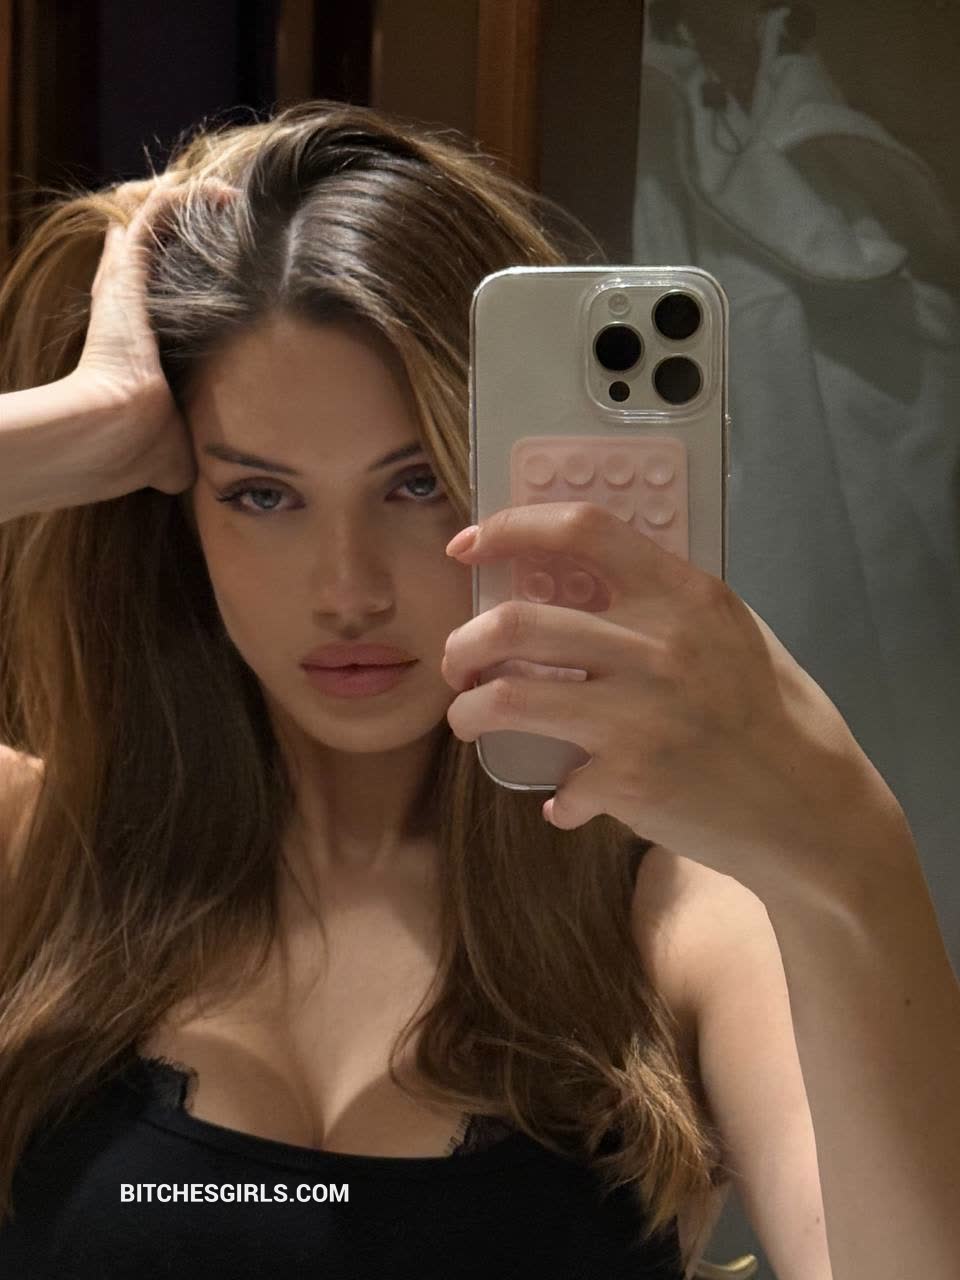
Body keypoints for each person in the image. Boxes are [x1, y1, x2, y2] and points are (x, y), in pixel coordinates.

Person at [0, 99, 956, 1280]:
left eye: (418, 484)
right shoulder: (37, 858)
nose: (348, 590)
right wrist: (72, 429)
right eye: (261, 493)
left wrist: (852, 852)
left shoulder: (685, 921)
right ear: (177, 509)